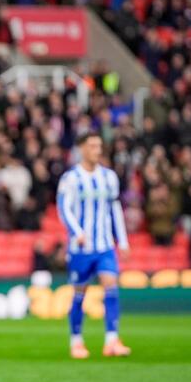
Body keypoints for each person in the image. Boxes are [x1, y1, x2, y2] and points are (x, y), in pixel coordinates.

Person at [57, 133, 131, 359]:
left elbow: (115, 209)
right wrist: (77, 233)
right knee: (80, 292)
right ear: (81, 149)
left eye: (99, 145)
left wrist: (123, 240)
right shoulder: (70, 178)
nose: (97, 150)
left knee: (111, 283)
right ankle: (76, 341)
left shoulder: (109, 177)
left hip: (105, 244)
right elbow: (64, 208)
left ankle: (112, 340)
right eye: (92, 146)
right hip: (81, 248)